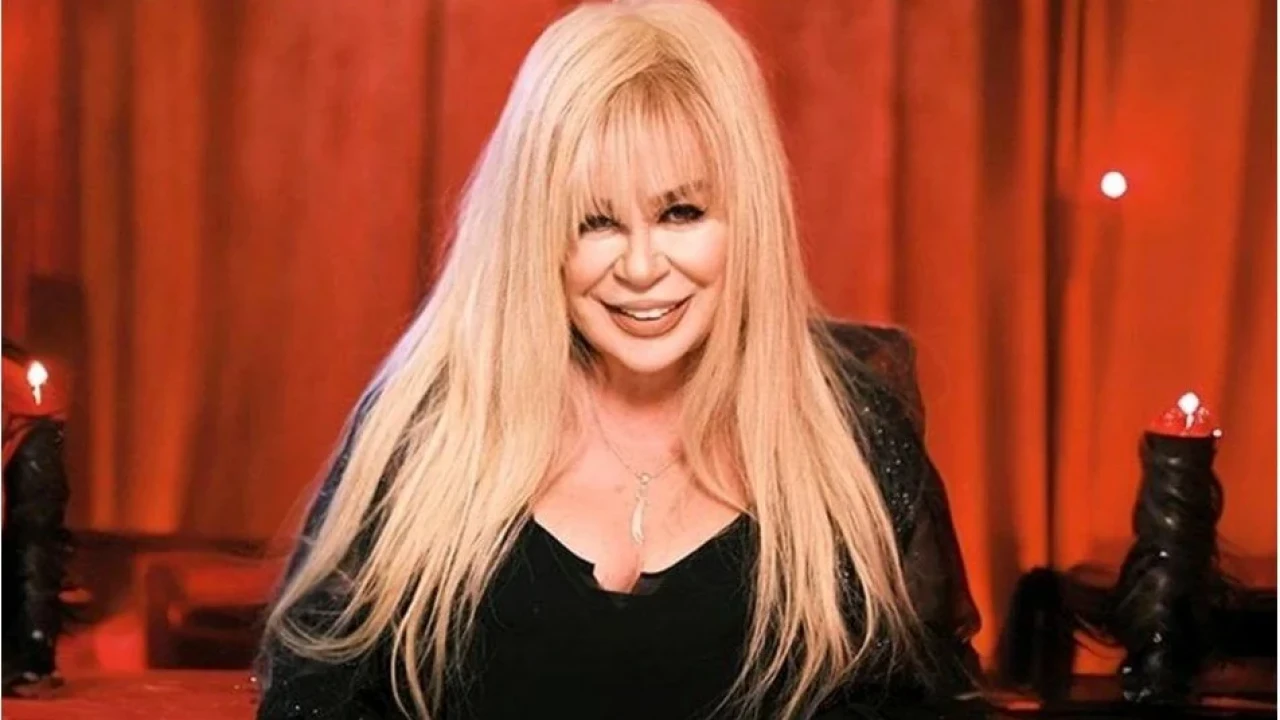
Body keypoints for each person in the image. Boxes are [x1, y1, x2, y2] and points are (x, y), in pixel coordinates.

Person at [257, 1, 981, 718]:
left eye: (680, 213)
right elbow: (309, 698)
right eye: (595, 221)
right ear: (537, 232)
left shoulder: (855, 442)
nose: (640, 268)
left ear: (749, 214)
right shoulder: (426, 432)